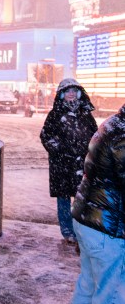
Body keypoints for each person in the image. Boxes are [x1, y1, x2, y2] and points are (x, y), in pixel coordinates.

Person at [56, 102, 125, 304]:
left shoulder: (114, 124)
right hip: (107, 228)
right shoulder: (122, 135)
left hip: (89, 220)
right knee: (110, 302)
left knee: (89, 287)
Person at [40, 78, 97, 245]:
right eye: (67, 91)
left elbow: (95, 136)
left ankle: (81, 230)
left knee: (83, 198)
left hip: (82, 163)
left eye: (74, 91)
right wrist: (58, 149)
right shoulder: (55, 114)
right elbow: (46, 135)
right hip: (62, 164)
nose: (71, 94)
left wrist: (93, 152)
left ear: (79, 93)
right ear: (62, 95)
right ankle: (67, 231)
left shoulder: (85, 113)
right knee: (64, 198)